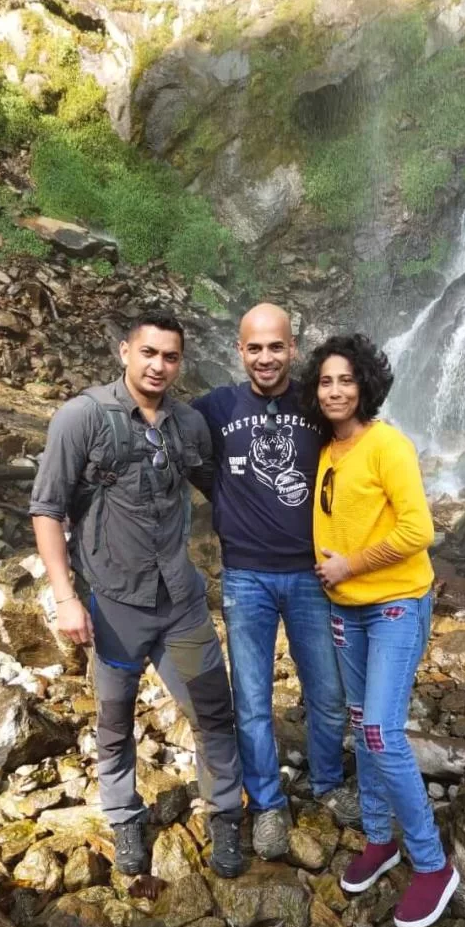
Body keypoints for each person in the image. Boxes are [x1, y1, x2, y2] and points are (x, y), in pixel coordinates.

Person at [30, 310, 244, 880]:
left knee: (213, 711)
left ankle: (225, 813)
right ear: (125, 351)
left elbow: (225, 492)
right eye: (148, 352)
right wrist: (65, 597)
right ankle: (125, 817)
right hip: (114, 603)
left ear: (180, 363)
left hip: (181, 602)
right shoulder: (81, 417)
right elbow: (47, 509)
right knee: (115, 720)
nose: (158, 365)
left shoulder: (189, 424)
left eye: (170, 356)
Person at [300, 332, 459, 927]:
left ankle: (432, 864)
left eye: (346, 380)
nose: (335, 390)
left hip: (395, 605)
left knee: (379, 730)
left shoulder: (387, 444)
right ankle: (378, 838)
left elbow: (419, 531)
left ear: (365, 385)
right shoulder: (326, 449)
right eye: (326, 381)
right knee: (362, 725)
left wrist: (351, 566)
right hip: (347, 611)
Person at [193, 303, 359, 862]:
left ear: (293, 348)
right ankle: (267, 804)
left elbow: (358, 449)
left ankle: (328, 783)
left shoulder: (316, 403)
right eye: (255, 348)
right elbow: (167, 432)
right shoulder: (216, 406)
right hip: (245, 578)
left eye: (276, 346)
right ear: (240, 351)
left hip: (312, 574)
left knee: (328, 696)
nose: (266, 358)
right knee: (253, 703)